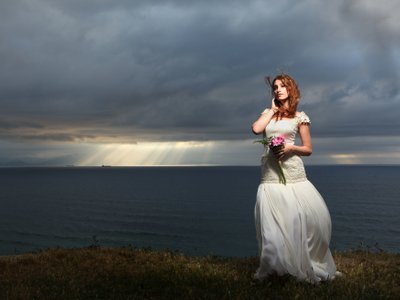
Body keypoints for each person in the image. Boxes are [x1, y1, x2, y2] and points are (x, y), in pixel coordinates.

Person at [251, 73, 340, 283]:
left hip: (292, 172)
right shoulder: (268, 113)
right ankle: (274, 267)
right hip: (270, 174)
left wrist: (290, 147)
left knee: (299, 220)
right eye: (275, 87)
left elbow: (308, 149)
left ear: (291, 89)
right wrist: (272, 110)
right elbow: (256, 129)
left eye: (282, 86)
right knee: (271, 223)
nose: (278, 90)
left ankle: (298, 261)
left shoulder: (301, 117)